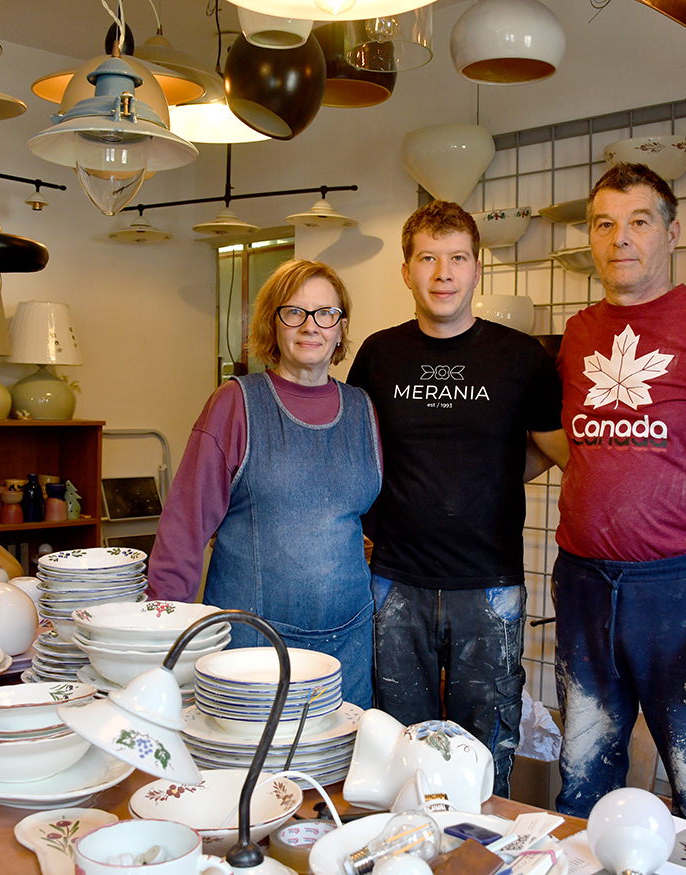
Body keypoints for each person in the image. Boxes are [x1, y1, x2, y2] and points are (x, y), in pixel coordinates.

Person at [551, 163, 686, 831]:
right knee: (582, 778)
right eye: (605, 224)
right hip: (585, 585)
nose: (621, 238)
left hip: (683, 591)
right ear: (591, 238)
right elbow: (579, 449)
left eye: (639, 221)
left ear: (672, 233)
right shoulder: (577, 334)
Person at [346, 200, 566, 796]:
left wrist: (492, 476)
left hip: (489, 586)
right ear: (406, 271)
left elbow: (557, 446)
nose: (443, 273)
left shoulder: (522, 358)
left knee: (483, 750)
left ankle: (477, 850)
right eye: (428, 258)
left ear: (477, 270)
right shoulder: (378, 354)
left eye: (458, 259)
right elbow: (355, 450)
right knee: (400, 744)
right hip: (396, 582)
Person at [147, 259, 381, 708]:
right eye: (294, 312)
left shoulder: (362, 410)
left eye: (325, 313)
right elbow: (184, 527)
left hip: (349, 646)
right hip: (253, 646)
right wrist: (159, 633)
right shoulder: (235, 404)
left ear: (341, 326)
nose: (310, 326)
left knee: (335, 773)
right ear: (272, 323)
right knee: (257, 773)